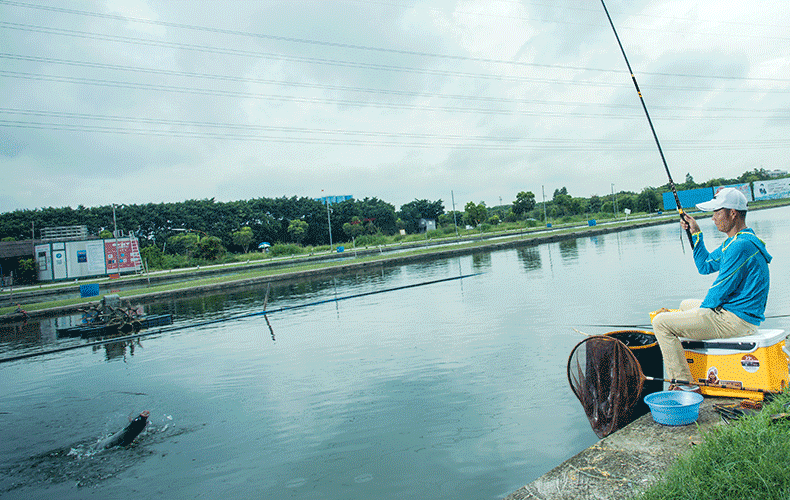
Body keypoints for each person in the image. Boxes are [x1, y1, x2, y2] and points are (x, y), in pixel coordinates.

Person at [651, 187, 771, 391]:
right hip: (738, 316)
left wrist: (676, 317)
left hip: (736, 322)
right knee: (685, 304)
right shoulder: (738, 241)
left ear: (732, 213)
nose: (713, 218)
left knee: (661, 323)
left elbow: (716, 296)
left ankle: (683, 384)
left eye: (717, 212)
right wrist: (696, 234)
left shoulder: (739, 247)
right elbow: (705, 265)